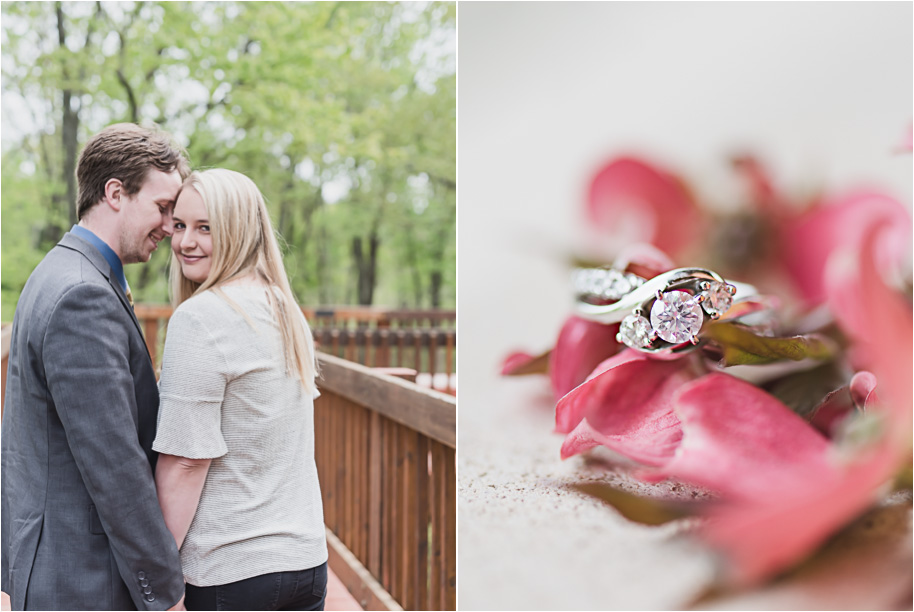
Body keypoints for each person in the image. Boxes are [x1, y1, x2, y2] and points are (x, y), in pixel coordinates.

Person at [1, 123, 188, 611]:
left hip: (57, 567)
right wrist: (164, 591)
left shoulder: (60, 270)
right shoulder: (83, 295)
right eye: (163, 207)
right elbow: (115, 466)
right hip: (81, 579)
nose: (170, 227)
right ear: (115, 194)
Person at [153, 169, 328, 611]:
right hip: (306, 563)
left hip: (232, 570)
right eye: (180, 225)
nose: (185, 242)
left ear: (238, 231)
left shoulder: (201, 319)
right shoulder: (284, 308)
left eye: (205, 227)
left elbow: (187, 461)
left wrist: (154, 571)